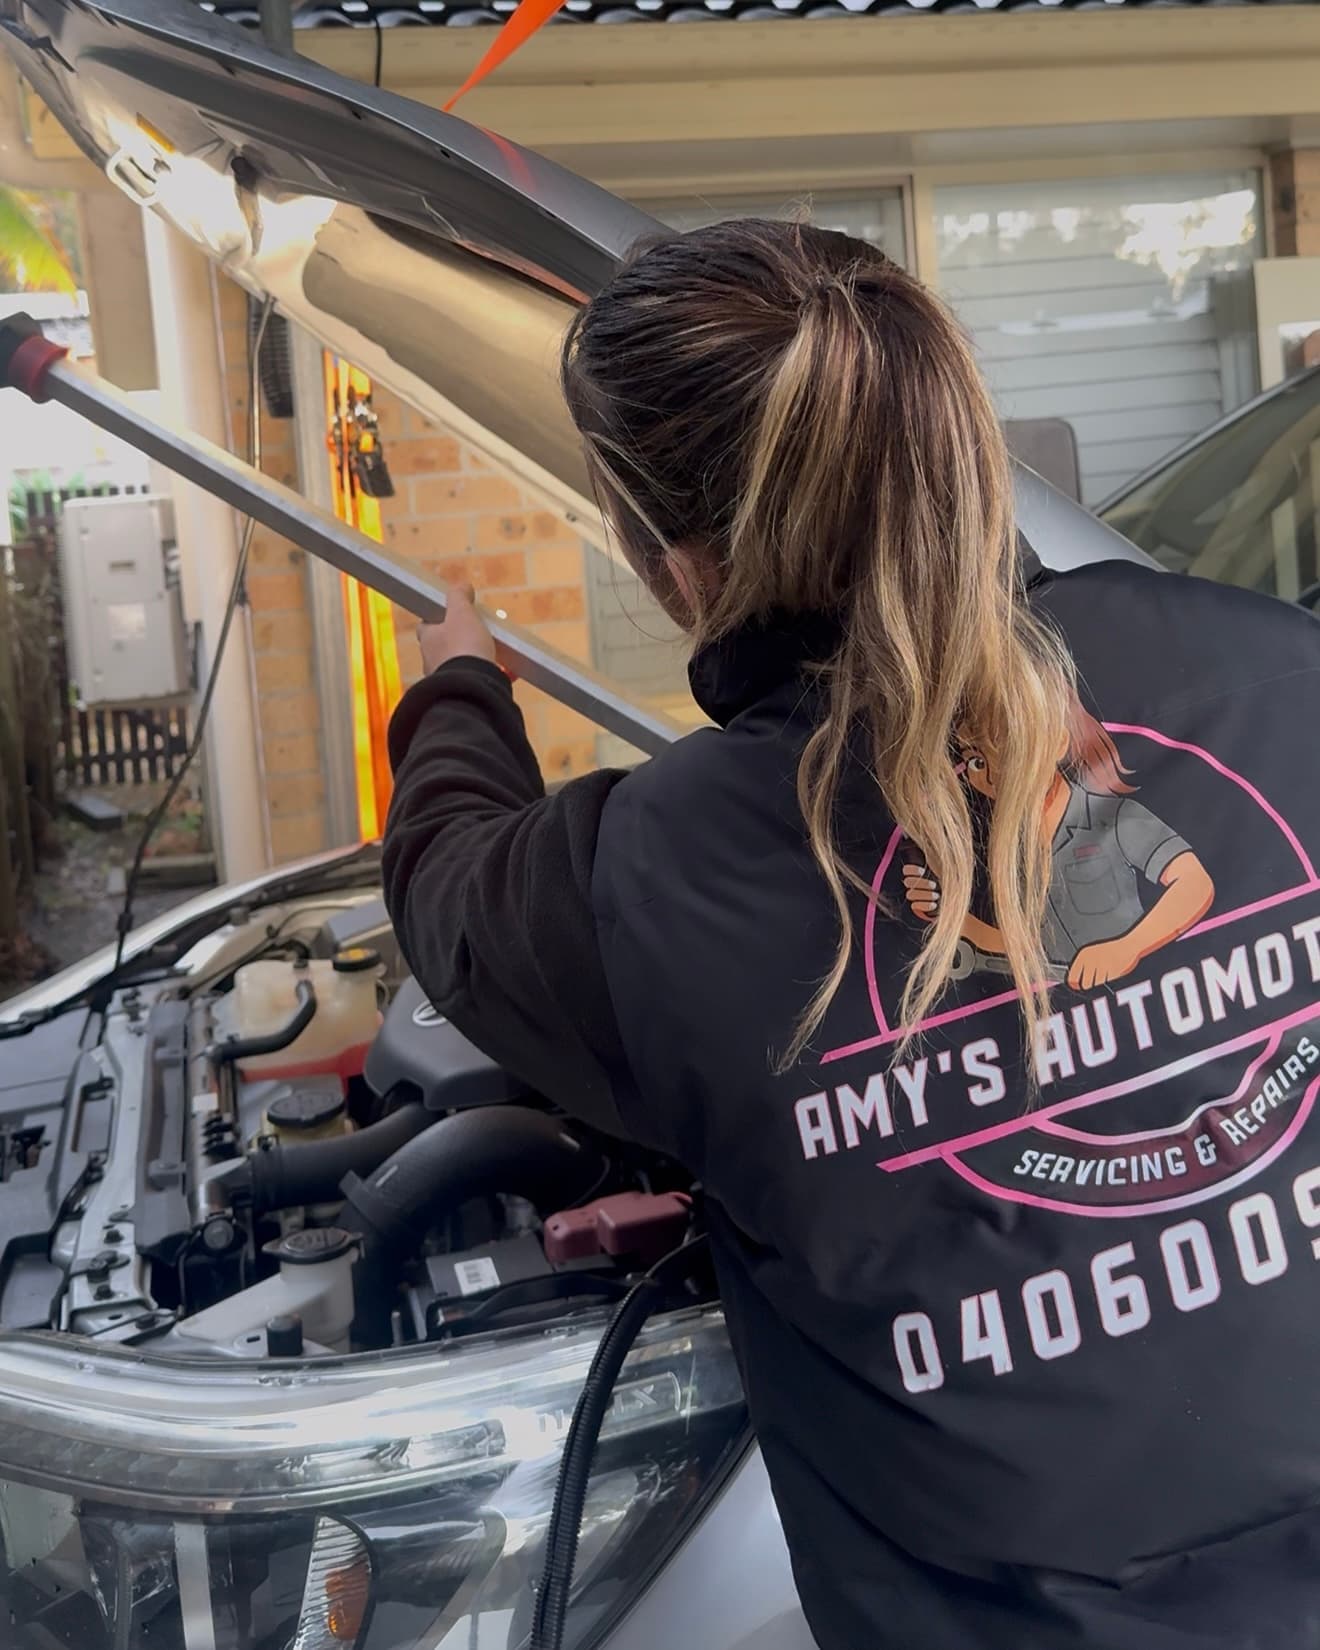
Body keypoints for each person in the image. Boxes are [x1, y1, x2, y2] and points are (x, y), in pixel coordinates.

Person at [382, 220, 1320, 1650]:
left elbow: (444, 885)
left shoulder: (647, 877)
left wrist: (458, 686)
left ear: (668, 562)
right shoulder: (1278, 664)